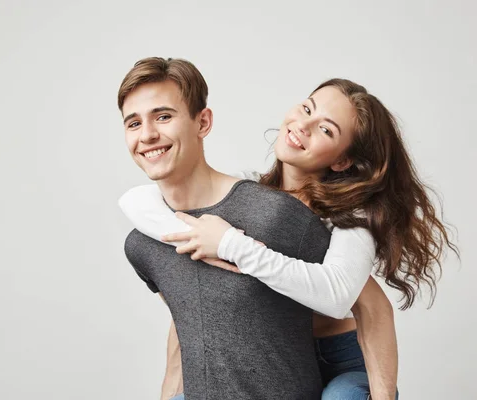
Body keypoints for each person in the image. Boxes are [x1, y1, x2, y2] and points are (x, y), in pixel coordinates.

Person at [120, 72, 456, 399]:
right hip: (282, 354)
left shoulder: (350, 218)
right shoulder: (251, 192)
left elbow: (365, 305)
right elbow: (140, 205)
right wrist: (191, 238)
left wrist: (231, 245)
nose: (303, 126)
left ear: (342, 160)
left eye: (325, 129)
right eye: (307, 109)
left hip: (344, 358)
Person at [119, 56, 337, 399]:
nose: (147, 135)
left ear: (202, 122)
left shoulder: (275, 214)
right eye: (133, 123)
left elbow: (361, 303)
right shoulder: (142, 245)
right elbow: (189, 323)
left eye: (163, 117)